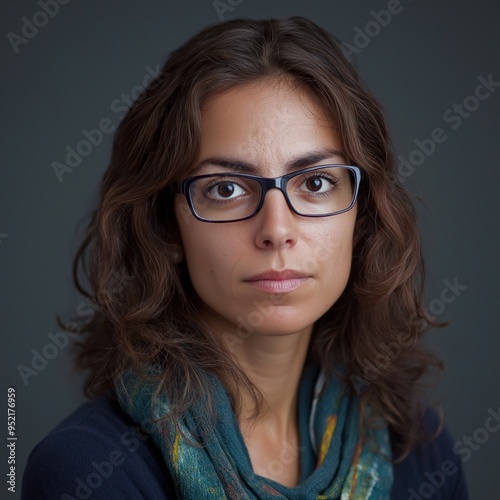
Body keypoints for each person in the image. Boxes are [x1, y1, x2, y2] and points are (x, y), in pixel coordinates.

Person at [22, 16, 469, 499]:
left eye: (315, 183)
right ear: (165, 225)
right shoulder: (87, 471)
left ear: (361, 216)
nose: (276, 230)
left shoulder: (417, 449)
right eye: (226, 188)